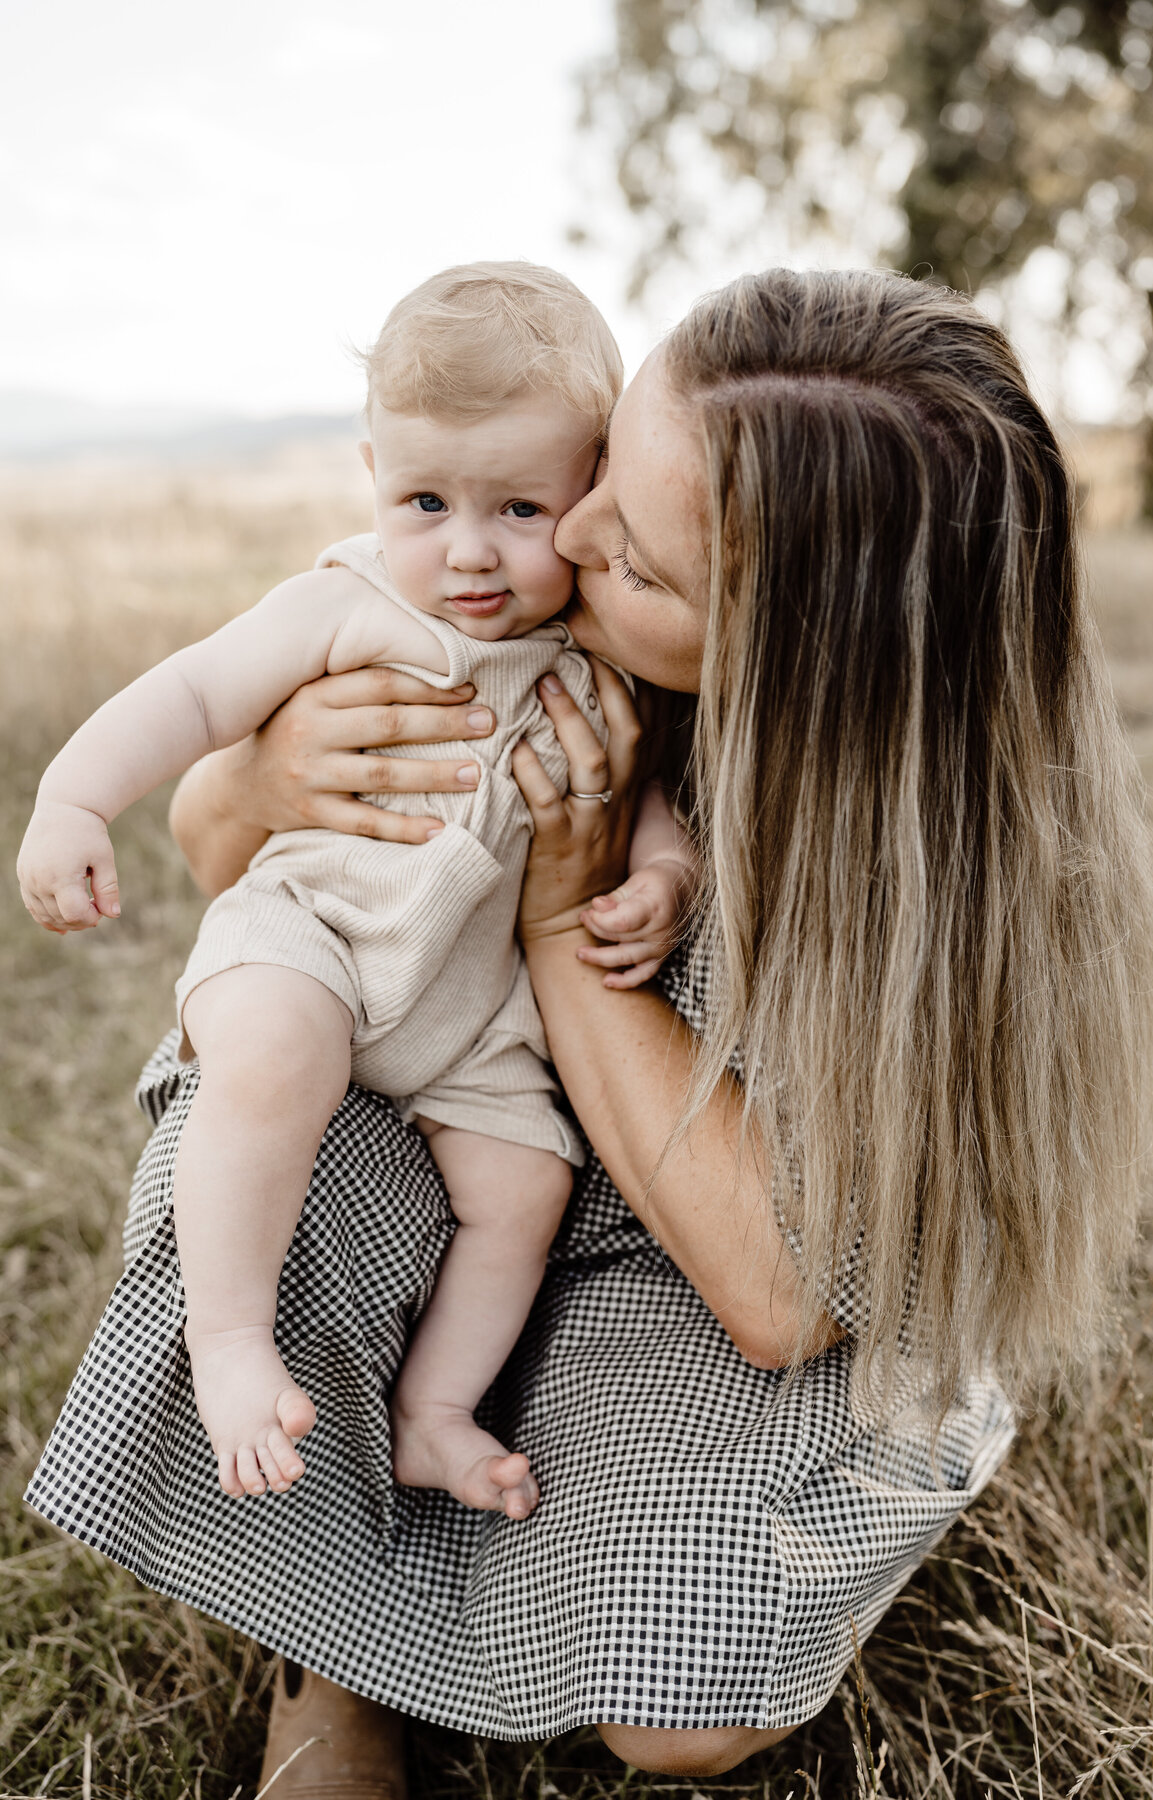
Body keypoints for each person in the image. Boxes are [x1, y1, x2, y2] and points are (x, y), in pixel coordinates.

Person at [25, 268, 1153, 1791]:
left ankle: (816, 1469)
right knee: (264, 1136)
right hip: (476, 1123)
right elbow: (242, 841)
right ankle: (332, 1640)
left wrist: (577, 913)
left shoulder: (949, 875)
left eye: (625, 548)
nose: (560, 541)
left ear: (791, 649)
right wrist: (255, 781)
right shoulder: (554, 610)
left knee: (675, 1704)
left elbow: (775, 1294)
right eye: (602, 482)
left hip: (709, 1256)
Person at [16, 263, 693, 1518]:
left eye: (522, 507)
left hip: (469, 1009)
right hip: (311, 935)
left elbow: (647, 790)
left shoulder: (603, 646)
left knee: (523, 1191)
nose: (471, 550)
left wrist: (661, 873)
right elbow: (193, 694)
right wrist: (72, 797)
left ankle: (432, 1413)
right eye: (425, 500)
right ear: (373, 471)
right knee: (273, 1061)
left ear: (593, 486)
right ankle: (229, 1342)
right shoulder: (349, 600)